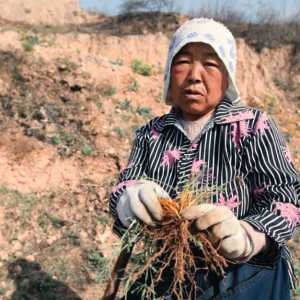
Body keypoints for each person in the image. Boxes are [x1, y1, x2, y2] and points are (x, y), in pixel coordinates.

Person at [109, 18, 300, 299]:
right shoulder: (151, 134)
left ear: (227, 75)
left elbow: (287, 199)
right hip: (174, 269)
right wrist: (129, 199)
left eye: (210, 64)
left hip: (245, 273)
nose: (195, 75)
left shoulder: (252, 126)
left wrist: (246, 236)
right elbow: (123, 187)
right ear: (168, 73)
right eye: (183, 61)